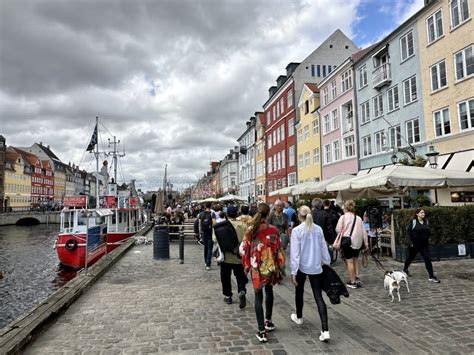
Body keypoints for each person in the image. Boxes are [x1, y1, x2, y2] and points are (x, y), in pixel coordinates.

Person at [240, 203, 286, 343]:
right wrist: (280, 266)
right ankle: (269, 321)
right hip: (270, 265)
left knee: (258, 296)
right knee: (269, 291)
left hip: (256, 266)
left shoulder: (250, 230)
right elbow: (278, 249)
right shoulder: (273, 229)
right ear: (268, 214)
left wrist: (247, 264)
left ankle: (261, 331)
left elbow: (244, 249)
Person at [290, 205, 332, 342]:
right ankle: (325, 329)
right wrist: (327, 261)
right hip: (315, 266)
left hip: (302, 266)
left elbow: (295, 253)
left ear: (298, 215)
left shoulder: (297, 231)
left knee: (299, 291)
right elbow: (323, 248)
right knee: (318, 297)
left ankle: (299, 316)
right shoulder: (318, 229)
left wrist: (293, 271)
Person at [213, 205, 248, 307]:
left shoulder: (221, 226)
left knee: (225, 277)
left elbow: (215, 239)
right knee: (240, 276)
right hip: (239, 256)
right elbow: (247, 241)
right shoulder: (243, 225)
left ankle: (228, 296)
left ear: (227, 214)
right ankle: (241, 290)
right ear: (237, 214)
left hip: (226, 256)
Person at [335, 200, 368, 289]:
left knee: (349, 262)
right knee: (355, 260)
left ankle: (352, 282)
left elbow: (338, 229)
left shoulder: (343, 217)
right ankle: (356, 278)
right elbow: (364, 232)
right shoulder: (358, 218)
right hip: (357, 243)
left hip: (347, 242)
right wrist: (366, 244)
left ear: (345, 207)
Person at [403, 208, 440, 283]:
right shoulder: (413, 222)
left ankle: (431, 276)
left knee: (427, 259)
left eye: (424, 213)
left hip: (424, 244)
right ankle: (405, 269)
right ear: (417, 214)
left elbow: (428, 231)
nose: (423, 214)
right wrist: (410, 242)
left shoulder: (426, 221)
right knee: (410, 258)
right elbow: (408, 232)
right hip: (414, 245)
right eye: (421, 213)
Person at [199, 202, 216, 270]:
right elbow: (214, 224)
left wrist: (200, 233)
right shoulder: (212, 213)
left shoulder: (201, 214)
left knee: (205, 248)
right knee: (210, 248)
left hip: (204, 233)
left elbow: (199, 225)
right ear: (210, 206)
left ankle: (206, 261)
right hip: (210, 232)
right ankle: (208, 264)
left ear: (205, 206)